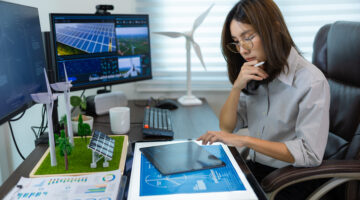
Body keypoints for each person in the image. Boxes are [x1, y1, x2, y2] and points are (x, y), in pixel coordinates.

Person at [197, 0, 330, 199]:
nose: (242, 49)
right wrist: (237, 87)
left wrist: (244, 140)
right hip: (258, 170)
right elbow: (227, 127)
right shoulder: (257, 71)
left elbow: (309, 153)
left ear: (274, 29)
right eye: (236, 41)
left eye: (248, 37)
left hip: (292, 179)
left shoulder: (311, 81)